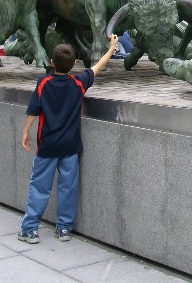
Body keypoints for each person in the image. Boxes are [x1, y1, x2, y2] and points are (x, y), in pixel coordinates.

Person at [18, 33, 119, 244]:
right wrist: (111, 48)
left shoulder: (44, 82)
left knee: (40, 187)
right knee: (68, 187)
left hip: (47, 145)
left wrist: (26, 131)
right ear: (73, 64)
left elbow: (33, 109)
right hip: (70, 147)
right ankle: (64, 228)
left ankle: (30, 229)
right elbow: (96, 68)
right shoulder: (78, 83)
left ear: (52, 62)